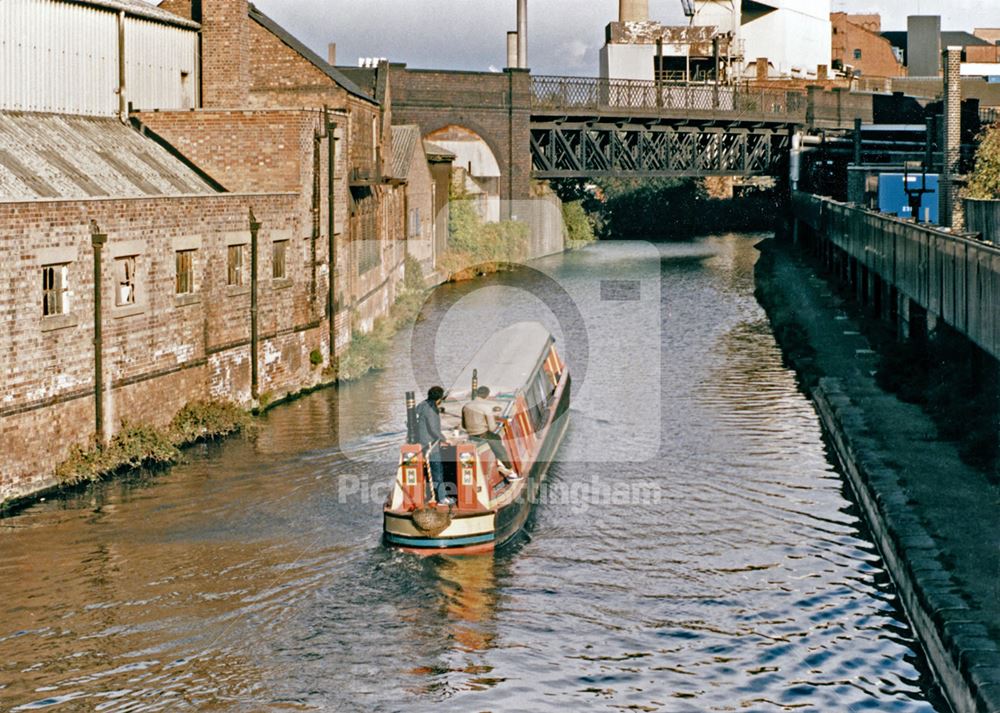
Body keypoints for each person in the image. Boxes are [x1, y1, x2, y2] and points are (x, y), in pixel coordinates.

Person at [462, 386, 519, 479]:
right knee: (497, 441)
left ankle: (500, 463)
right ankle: (509, 470)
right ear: (487, 396)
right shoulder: (486, 408)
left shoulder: (466, 406)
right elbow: (492, 428)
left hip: (470, 434)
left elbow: (464, 425)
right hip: (482, 434)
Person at [415, 386, 452, 504]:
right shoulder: (431, 409)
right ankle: (442, 498)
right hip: (431, 444)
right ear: (439, 399)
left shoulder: (422, 405)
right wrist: (446, 439)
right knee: (438, 470)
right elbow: (434, 430)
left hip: (421, 442)